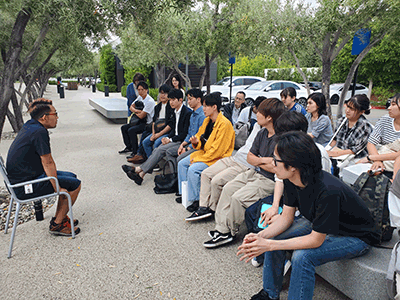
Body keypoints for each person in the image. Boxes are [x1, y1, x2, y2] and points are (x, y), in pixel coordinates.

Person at [237, 131, 379, 300]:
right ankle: (269, 294)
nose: (271, 163)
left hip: (356, 236)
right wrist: (260, 236)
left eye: (276, 160)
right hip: (321, 224)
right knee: (274, 236)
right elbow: (286, 218)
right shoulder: (290, 179)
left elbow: (315, 240)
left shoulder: (328, 190)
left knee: (303, 256)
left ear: (293, 166)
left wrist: (267, 245)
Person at [203, 98, 286, 248]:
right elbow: (250, 157)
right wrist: (264, 161)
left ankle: (229, 232)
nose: (256, 114)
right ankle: (221, 228)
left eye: (260, 112)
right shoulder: (261, 133)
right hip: (255, 172)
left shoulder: (281, 139)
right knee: (228, 188)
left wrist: (259, 160)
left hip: (270, 180)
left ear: (269, 117)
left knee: (238, 198)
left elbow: (277, 169)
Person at [6, 99, 81, 236]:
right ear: (44, 117)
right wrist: (56, 187)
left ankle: (61, 217)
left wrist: (36, 105)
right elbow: (48, 163)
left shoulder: (31, 125)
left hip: (22, 179)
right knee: (75, 185)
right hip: (24, 186)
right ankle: (57, 225)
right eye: (55, 114)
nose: (57, 117)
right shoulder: (39, 132)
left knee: (72, 177)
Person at [177, 92, 235, 212]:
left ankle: (197, 200)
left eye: (205, 106)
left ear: (214, 107)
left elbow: (217, 151)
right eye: (203, 106)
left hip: (217, 158)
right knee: (182, 163)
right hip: (205, 154)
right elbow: (199, 138)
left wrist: (197, 159)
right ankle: (185, 194)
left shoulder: (224, 124)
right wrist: (195, 142)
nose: (203, 109)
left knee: (193, 168)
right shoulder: (207, 121)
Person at [122, 89, 192, 185]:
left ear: (180, 100)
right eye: (170, 100)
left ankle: (139, 170)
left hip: (182, 142)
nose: (171, 102)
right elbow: (174, 130)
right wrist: (167, 138)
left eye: (173, 100)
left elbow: (184, 134)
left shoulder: (187, 113)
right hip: (174, 139)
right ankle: (141, 175)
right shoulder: (174, 111)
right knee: (156, 148)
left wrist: (169, 139)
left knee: (159, 149)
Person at [129, 84, 174, 163]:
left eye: (165, 93)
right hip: (157, 130)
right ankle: (152, 162)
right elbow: (154, 122)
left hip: (167, 132)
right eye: (161, 93)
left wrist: (157, 135)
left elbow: (170, 125)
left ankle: (152, 162)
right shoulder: (158, 107)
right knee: (145, 142)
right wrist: (153, 134)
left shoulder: (171, 107)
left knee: (156, 142)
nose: (162, 95)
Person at [357, 93, 400, 175]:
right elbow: (371, 143)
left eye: (393, 105)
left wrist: (371, 158)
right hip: (381, 160)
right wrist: (377, 161)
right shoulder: (385, 119)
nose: (389, 108)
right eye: (389, 104)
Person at [327, 94, 373, 160]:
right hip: (338, 155)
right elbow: (334, 139)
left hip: (355, 159)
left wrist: (335, 153)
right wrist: (328, 150)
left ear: (361, 112)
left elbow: (354, 150)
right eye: (347, 106)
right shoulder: (341, 121)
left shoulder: (365, 127)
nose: (347, 110)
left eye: (352, 109)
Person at [120, 81, 156, 157]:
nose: (140, 91)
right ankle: (129, 147)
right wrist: (138, 111)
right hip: (138, 121)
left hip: (147, 124)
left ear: (146, 90)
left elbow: (142, 116)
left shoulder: (149, 101)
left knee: (131, 130)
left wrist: (136, 111)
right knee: (124, 128)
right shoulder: (140, 97)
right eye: (138, 89)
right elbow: (131, 107)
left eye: (142, 89)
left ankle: (135, 152)